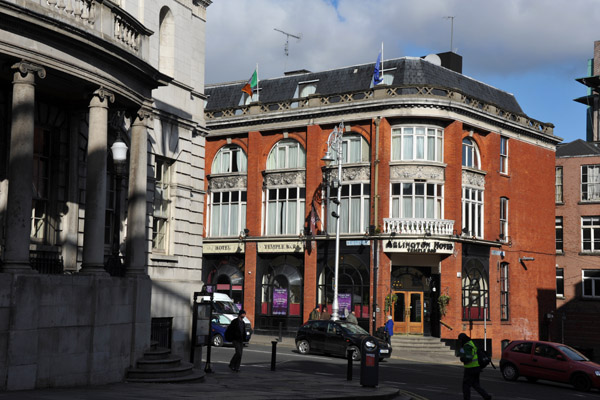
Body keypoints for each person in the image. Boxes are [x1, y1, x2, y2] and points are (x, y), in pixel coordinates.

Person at [457, 333, 492, 400]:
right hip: (477, 367)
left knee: (466, 386)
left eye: (460, 340)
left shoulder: (467, 345)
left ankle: (467, 399)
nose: (460, 341)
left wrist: (462, 359)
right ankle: (486, 396)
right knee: (476, 385)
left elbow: (469, 357)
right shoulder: (472, 343)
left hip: (470, 369)